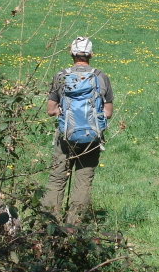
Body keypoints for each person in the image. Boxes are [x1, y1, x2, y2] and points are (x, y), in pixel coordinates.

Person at [42, 37, 114, 224]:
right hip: (91, 138)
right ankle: (74, 228)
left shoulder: (61, 76)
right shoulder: (101, 77)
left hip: (66, 136)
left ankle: (50, 224)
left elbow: (50, 110)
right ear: (91, 55)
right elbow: (107, 113)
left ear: (71, 53)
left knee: (57, 179)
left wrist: (64, 113)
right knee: (83, 182)